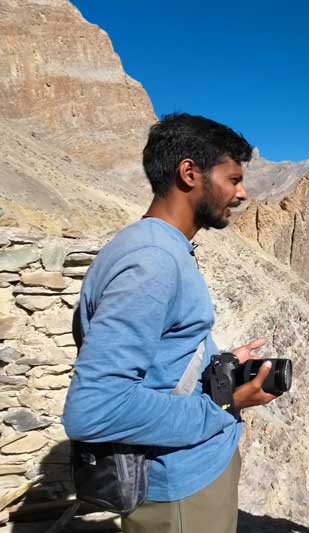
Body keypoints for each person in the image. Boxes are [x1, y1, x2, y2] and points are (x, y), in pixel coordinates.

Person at [62, 113, 279, 533]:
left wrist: (223, 361)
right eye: (233, 179)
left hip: (189, 477)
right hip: (177, 486)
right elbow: (94, 409)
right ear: (189, 173)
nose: (243, 192)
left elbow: (160, 353)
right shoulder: (153, 261)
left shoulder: (153, 246)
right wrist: (223, 405)